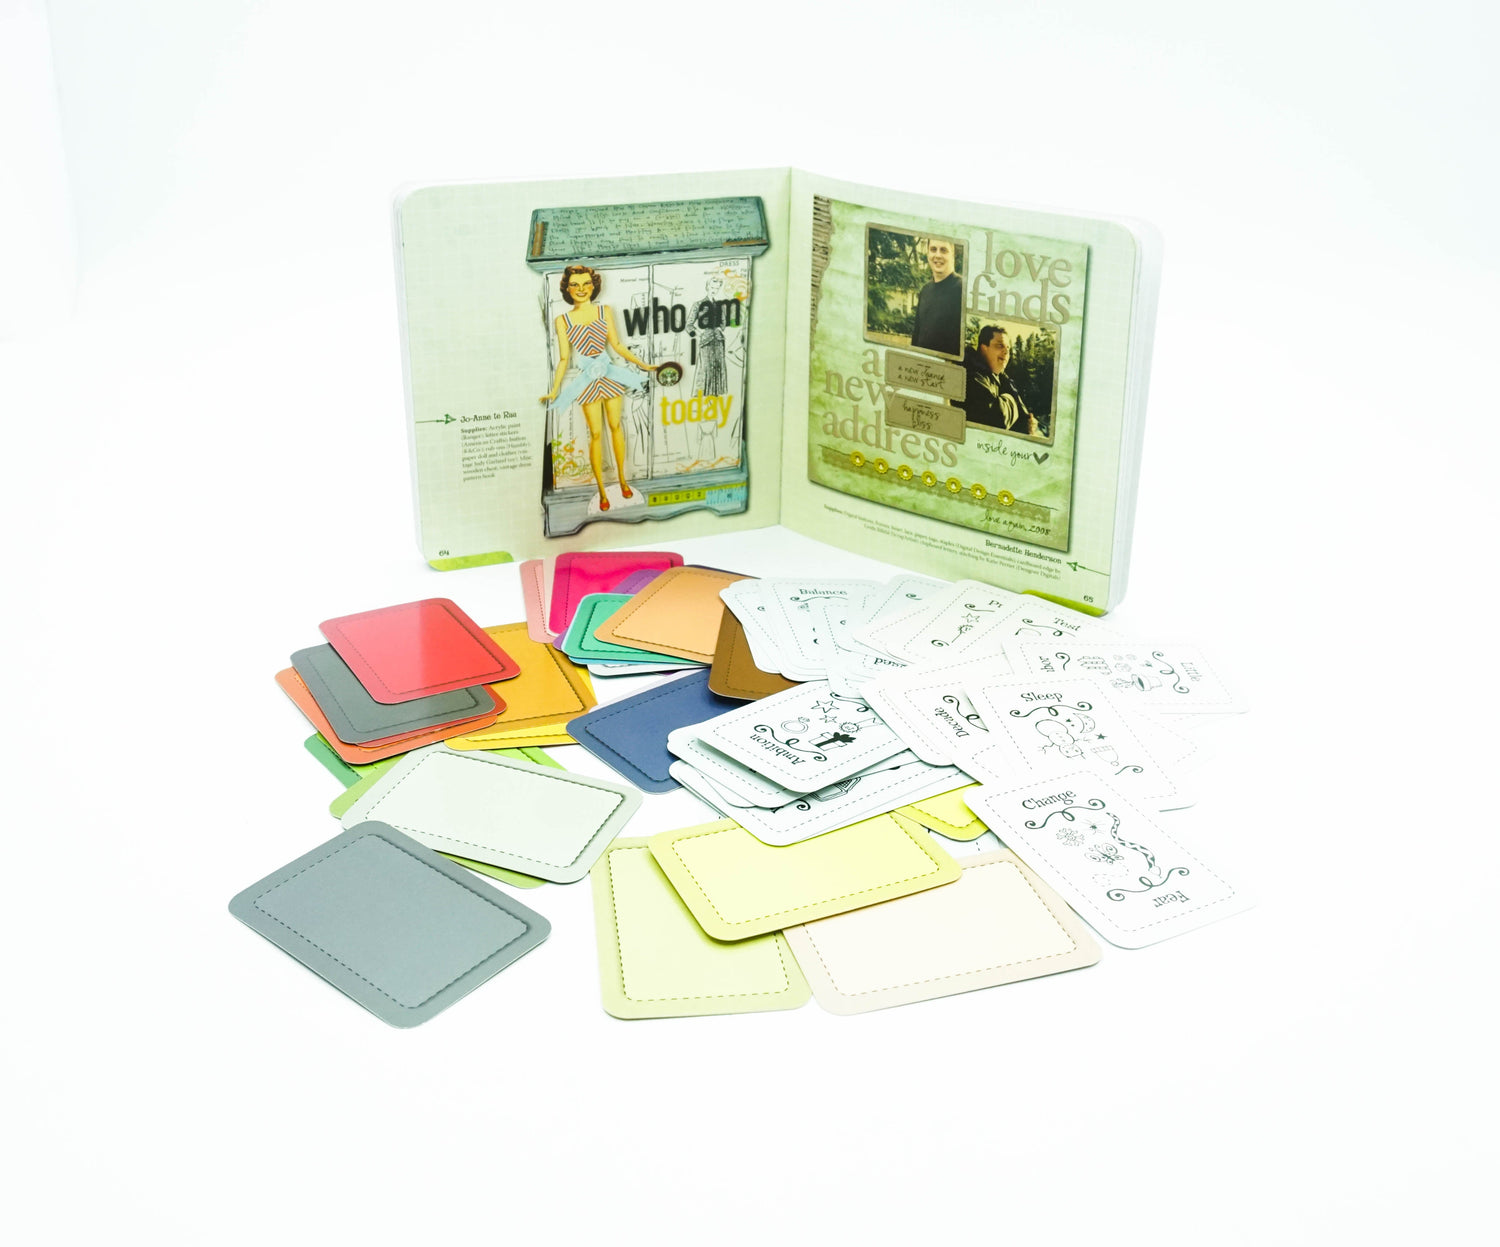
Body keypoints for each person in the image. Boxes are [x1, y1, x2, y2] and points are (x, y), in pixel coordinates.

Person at [539, 265, 658, 511]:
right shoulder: (562, 320)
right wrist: (554, 390)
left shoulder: (605, 311)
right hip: (587, 381)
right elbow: (564, 358)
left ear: (593, 286)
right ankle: (602, 491)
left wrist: (643, 365)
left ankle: (623, 481)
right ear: (567, 289)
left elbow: (617, 345)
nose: (581, 289)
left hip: (610, 375)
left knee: (616, 427)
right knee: (595, 434)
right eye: (575, 285)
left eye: (586, 284)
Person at [960, 325, 1039, 435]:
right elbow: (996, 419)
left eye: (1008, 348)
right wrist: (1011, 399)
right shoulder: (970, 373)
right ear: (983, 348)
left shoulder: (998, 379)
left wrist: (1026, 424)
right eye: (999, 345)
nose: (1006, 352)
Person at [909, 236, 963, 356]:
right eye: (933, 249)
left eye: (943, 250)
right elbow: (916, 335)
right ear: (928, 253)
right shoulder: (925, 290)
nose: (937, 255)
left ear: (953, 255)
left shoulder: (962, 289)